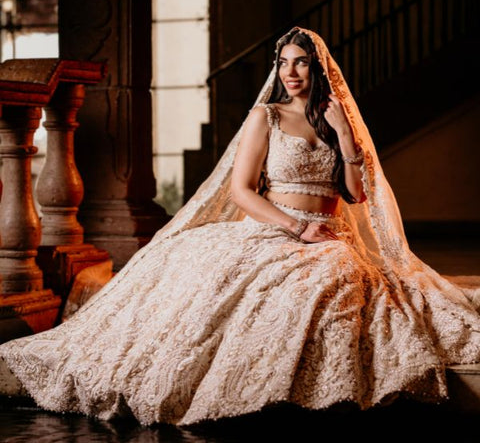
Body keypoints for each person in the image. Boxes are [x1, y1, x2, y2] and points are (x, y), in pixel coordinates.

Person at [0, 27, 479, 427]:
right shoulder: (265, 117)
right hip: (278, 227)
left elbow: (355, 194)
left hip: (329, 234)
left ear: (320, 69)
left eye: (302, 63)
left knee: (338, 284)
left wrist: (348, 137)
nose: (291, 73)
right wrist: (295, 227)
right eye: (285, 63)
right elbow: (242, 192)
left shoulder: (337, 120)